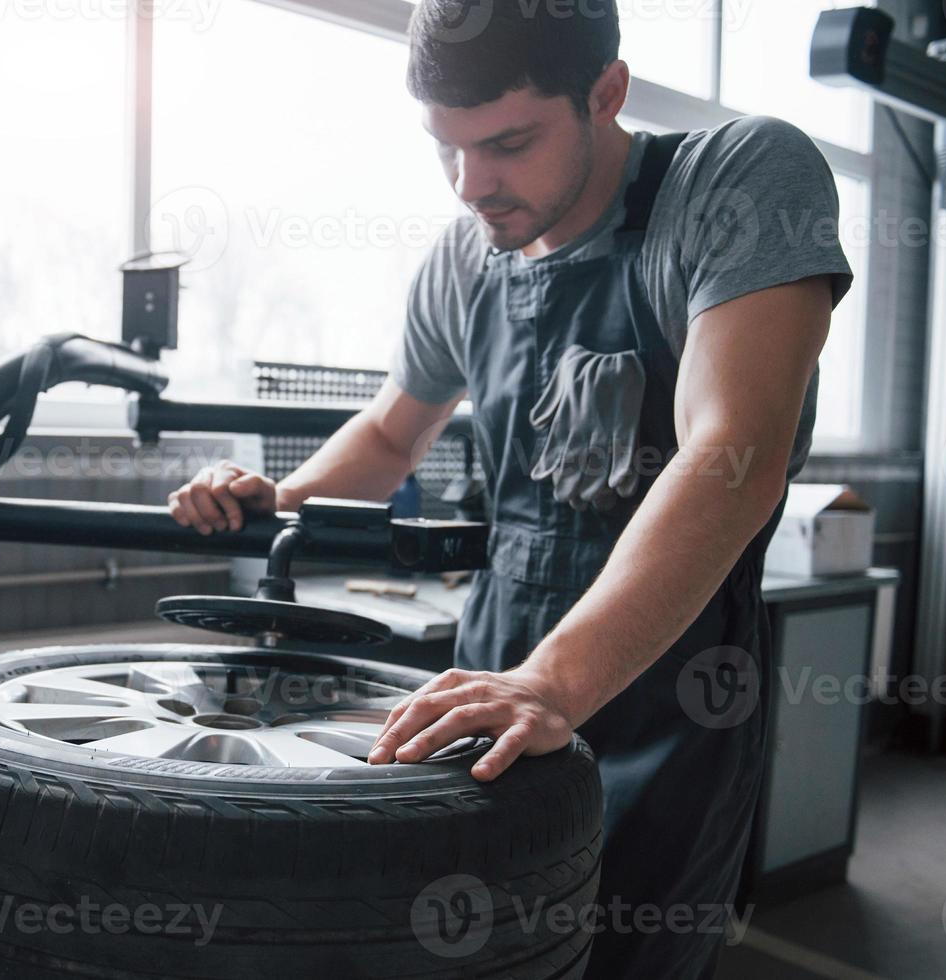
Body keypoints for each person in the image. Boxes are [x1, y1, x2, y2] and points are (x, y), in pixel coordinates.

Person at [167, 1, 852, 975]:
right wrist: (276, 497)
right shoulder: (465, 254)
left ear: (605, 93)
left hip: (670, 689)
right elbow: (390, 432)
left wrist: (552, 681)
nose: (468, 185)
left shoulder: (733, 180)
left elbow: (728, 454)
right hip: (495, 666)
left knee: (624, 949)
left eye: (506, 143)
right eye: (443, 148)